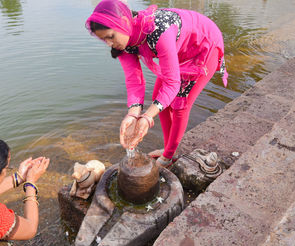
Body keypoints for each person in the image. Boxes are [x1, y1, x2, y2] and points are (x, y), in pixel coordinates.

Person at [86, 0, 228, 167]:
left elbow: (172, 84)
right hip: (178, 50)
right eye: (104, 40)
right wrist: (132, 115)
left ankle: (168, 156)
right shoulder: (123, 44)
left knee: (180, 105)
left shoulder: (158, 32)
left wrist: (146, 117)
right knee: (157, 98)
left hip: (202, 46)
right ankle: (169, 150)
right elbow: (134, 81)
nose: (109, 43)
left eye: (111, 36)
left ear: (123, 22)